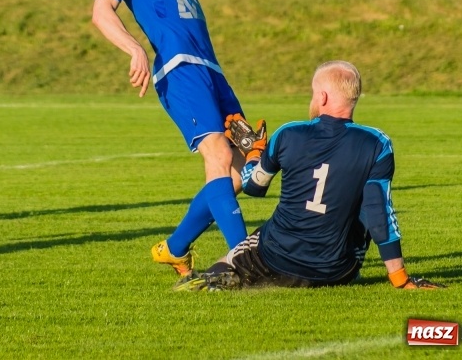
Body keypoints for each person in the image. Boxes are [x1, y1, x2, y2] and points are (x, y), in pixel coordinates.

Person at [92, 0, 251, 276]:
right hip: (181, 71)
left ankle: (175, 247)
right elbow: (100, 10)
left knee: (246, 164)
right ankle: (244, 260)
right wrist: (134, 49)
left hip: (213, 73)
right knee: (216, 154)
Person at [175, 61, 445, 291]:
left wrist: (253, 154)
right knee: (364, 205)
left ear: (324, 97)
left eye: (314, 94)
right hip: (338, 269)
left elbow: (254, 186)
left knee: (236, 254)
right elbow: (379, 213)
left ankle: (213, 277)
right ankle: (350, 270)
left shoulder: (288, 133)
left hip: (276, 257)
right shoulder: (377, 143)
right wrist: (400, 279)